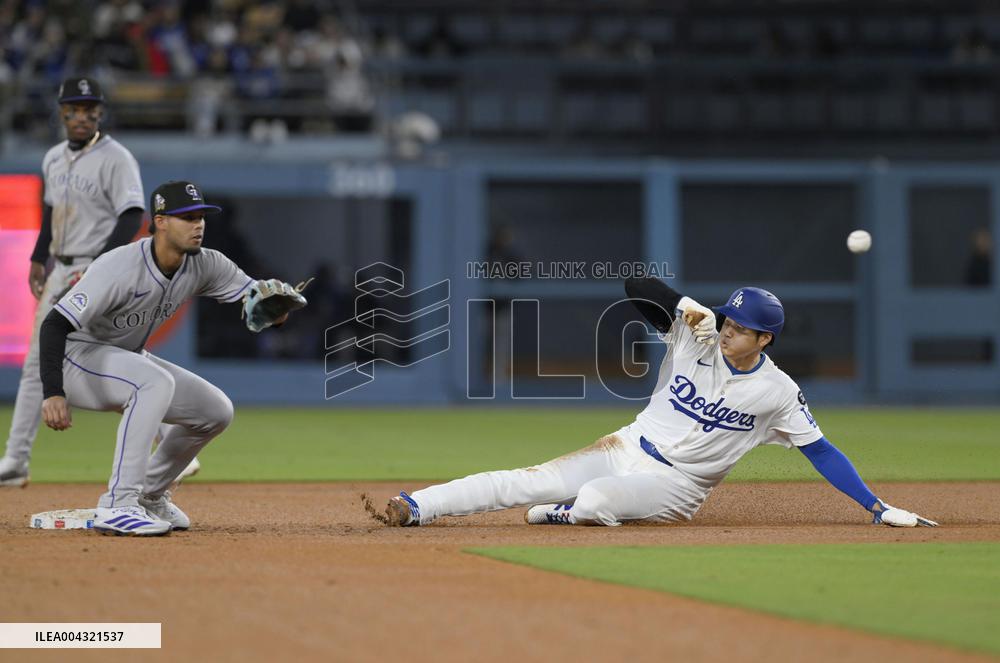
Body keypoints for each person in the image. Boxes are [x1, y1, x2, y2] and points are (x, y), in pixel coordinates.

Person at [383, 280, 938, 529]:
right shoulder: (698, 336)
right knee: (525, 480)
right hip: (625, 443)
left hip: (678, 486)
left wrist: (875, 505)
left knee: (594, 499)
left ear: (765, 339)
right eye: (729, 319)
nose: (729, 330)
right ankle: (417, 505)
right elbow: (636, 285)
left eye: (742, 327)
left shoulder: (778, 392)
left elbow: (822, 452)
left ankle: (566, 513)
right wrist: (687, 308)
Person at [36, 180, 305, 536]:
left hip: (125, 358)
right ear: (160, 222)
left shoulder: (206, 263)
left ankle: (149, 496)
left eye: (201, 217)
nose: (198, 225)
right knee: (153, 381)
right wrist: (53, 392)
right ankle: (118, 504)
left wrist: (277, 312)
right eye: (187, 217)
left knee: (215, 411)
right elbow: (54, 324)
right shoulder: (119, 266)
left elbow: (254, 297)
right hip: (75, 358)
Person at [1, 77, 146, 488]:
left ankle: (169, 445)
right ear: (62, 112)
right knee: (36, 362)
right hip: (60, 269)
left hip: (93, 268)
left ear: (100, 113)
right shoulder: (52, 158)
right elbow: (51, 212)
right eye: (74, 109)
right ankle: (16, 459)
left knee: (119, 357)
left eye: (89, 109)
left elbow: (132, 215)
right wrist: (37, 257)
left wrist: (101, 268)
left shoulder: (116, 158)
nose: (81, 116)